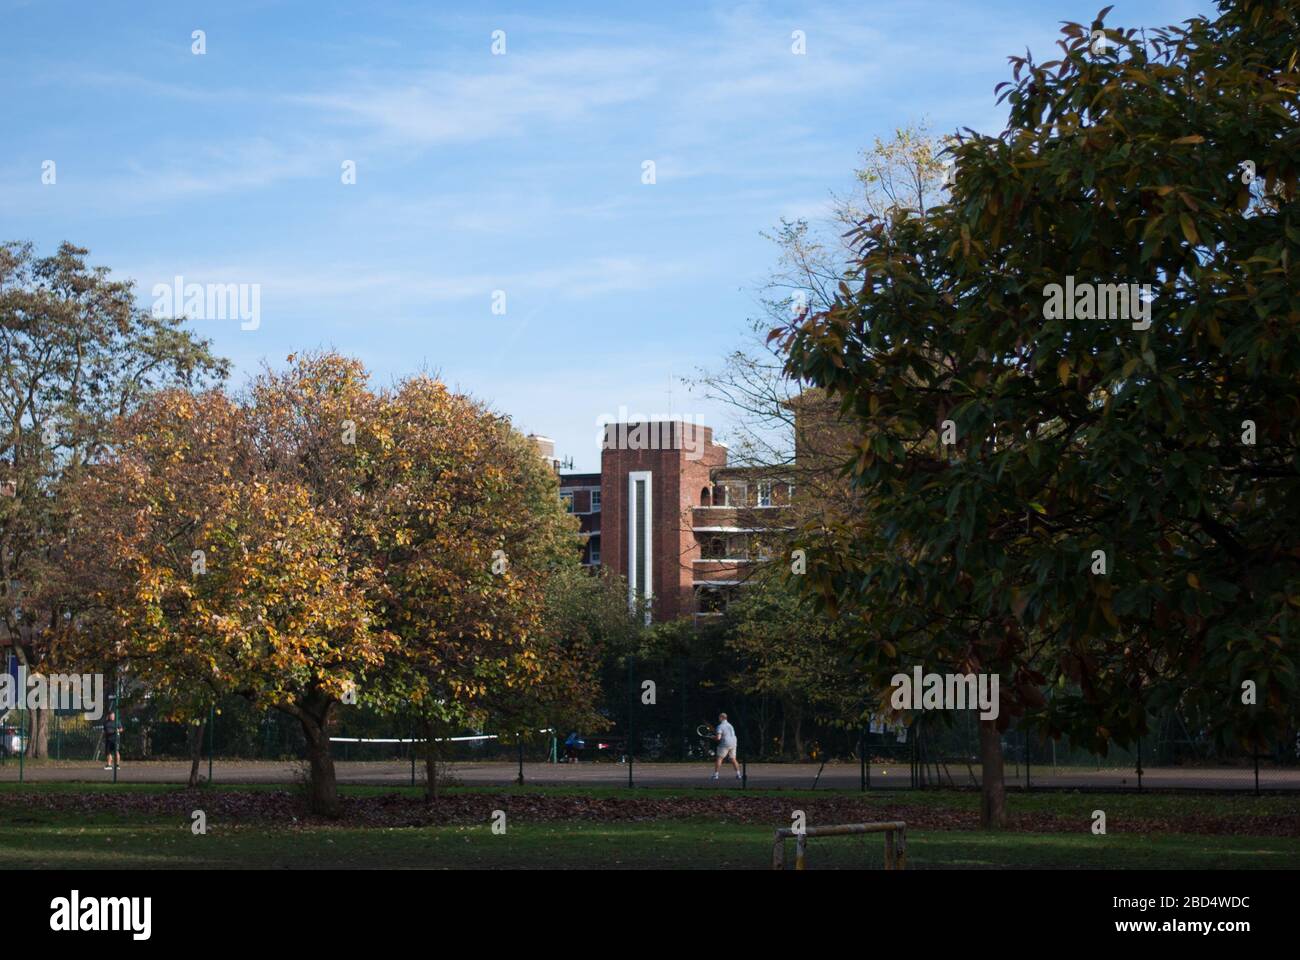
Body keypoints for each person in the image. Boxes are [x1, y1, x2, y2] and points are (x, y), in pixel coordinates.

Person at [711, 712, 741, 781]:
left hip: (725, 743)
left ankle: (716, 775)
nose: (718, 718)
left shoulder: (720, 726)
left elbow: (718, 738)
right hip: (734, 743)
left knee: (719, 758)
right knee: (733, 759)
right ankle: (738, 775)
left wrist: (713, 737)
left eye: (719, 717)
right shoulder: (730, 725)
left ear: (722, 718)